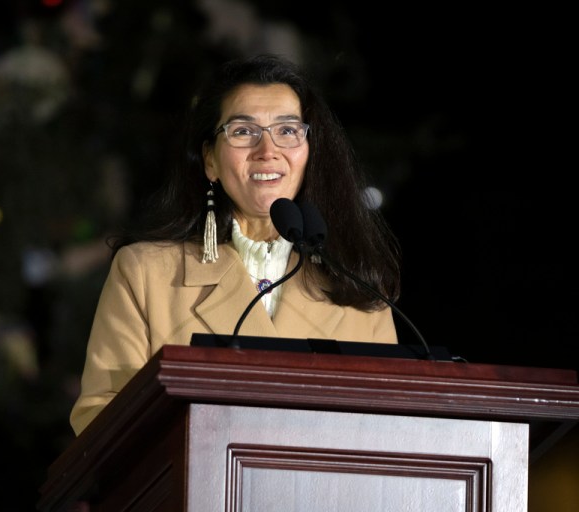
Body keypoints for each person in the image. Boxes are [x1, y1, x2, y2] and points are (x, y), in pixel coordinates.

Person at [69, 53, 401, 436]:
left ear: (310, 152)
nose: (268, 150)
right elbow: (100, 419)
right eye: (243, 132)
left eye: (288, 131)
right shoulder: (144, 273)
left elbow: (385, 433)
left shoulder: (358, 288)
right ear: (210, 159)